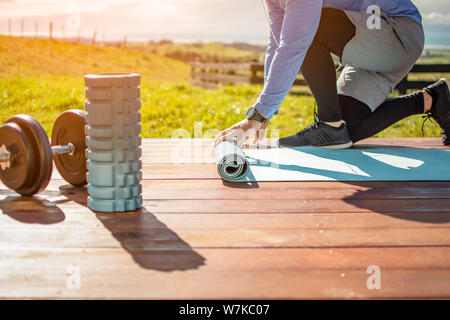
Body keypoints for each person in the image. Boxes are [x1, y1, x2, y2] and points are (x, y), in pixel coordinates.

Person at [215, 0, 450, 149]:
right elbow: (277, 44)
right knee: (347, 128)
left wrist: (256, 116)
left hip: (398, 33)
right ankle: (433, 99)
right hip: (370, 48)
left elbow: (295, 44)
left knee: (309, 29)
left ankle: (329, 124)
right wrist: (266, 114)